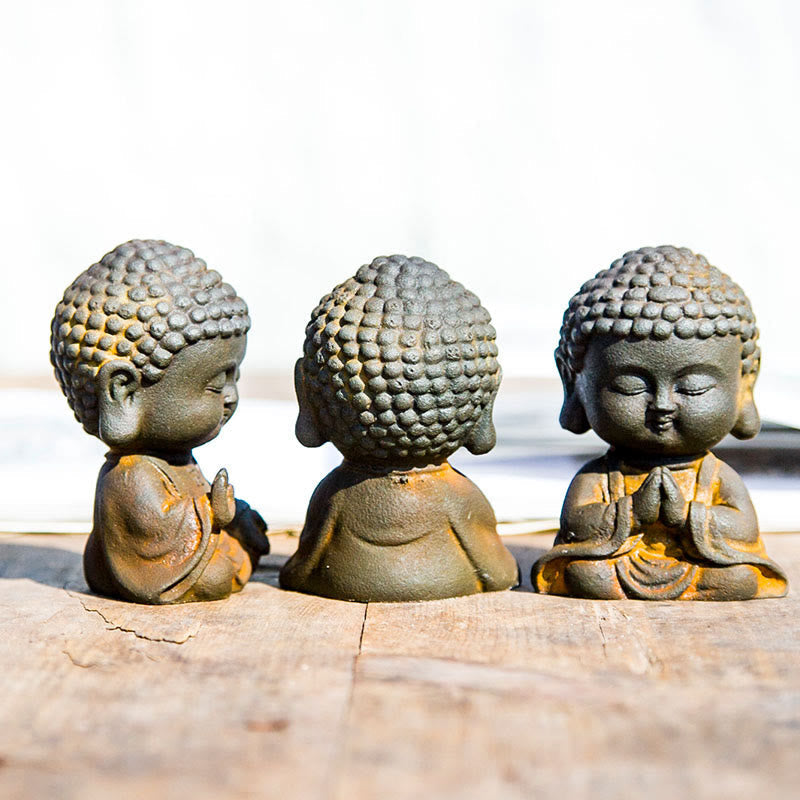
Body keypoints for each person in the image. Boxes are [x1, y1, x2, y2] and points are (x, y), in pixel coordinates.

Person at [532, 245, 787, 600]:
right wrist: (634, 512)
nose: (663, 405)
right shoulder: (600, 475)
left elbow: (742, 529)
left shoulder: (715, 475)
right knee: (585, 575)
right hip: (621, 563)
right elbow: (577, 524)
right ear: (576, 384)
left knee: (739, 579)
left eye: (694, 387)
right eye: (630, 386)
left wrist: (685, 515)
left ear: (744, 384)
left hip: (699, 564)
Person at [280, 254, 519, 601]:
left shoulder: (332, 495)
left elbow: (300, 570)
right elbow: (498, 573)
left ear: (309, 399)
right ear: (485, 402)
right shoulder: (460, 497)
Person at [50, 239, 269, 604]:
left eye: (235, 378)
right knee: (216, 576)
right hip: (149, 570)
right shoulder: (130, 475)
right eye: (216, 385)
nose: (230, 396)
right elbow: (155, 531)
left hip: (190, 547)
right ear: (124, 394)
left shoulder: (176, 460)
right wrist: (212, 512)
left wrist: (235, 515)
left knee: (242, 542)